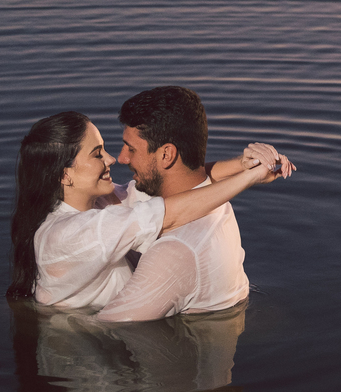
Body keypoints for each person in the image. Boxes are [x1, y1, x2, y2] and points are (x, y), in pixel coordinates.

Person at [7, 110, 283, 308]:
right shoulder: (70, 234)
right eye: (97, 154)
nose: (112, 159)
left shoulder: (100, 202)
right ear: (65, 175)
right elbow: (170, 212)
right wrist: (250, 178)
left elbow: (173, 185)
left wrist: (241, 165)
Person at [97, 86, 295, 322]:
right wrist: (242, 166)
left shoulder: (176, 253)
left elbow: (103, 326)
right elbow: (121, 200)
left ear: (166, 155)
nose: (121, 158)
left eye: (131, 149)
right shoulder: (211, 196)